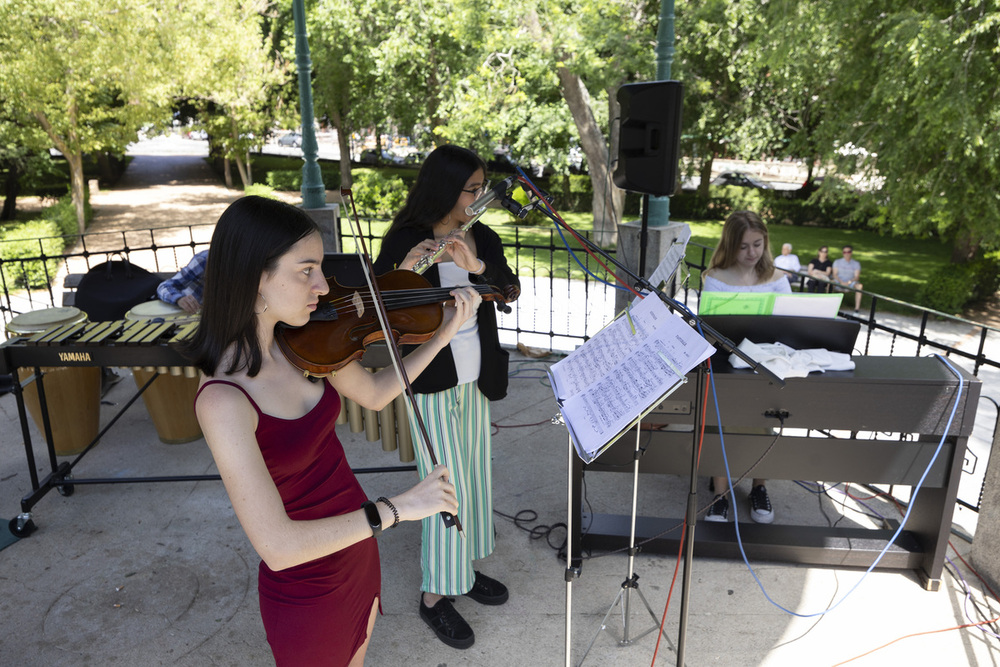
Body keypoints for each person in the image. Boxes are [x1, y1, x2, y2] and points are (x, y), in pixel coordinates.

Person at [187, 195, 482, 666]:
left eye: (320, 268)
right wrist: (399, 508)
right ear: (255, 278)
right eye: (306, 271)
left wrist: (443, 333)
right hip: (306, 587)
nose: (323, 286)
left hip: (357, 550)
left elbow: (374, 393)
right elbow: (279, 549)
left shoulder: (298, 342)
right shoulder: (224, 400)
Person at [372, 145, 520, 650]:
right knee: (443, 486)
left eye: (481, 188)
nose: (479, 198)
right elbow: (380, 305)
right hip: (430, 376)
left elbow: (509, 289)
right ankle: (435, 595)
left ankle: (464, 569)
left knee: (474, 476)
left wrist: (477, 265)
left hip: (476, 375)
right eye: (471, 189)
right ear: (444, 189)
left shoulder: (483, 235)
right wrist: (407, 271)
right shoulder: (406, 238)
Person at [701, 210, 790, 525]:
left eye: (758, 244)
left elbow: (790, 325)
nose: (752, 253)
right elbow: (709, 329)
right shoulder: (715, 278)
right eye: (743, 247)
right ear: (730, 245)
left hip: (767, 363)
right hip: (727, 362)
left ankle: (759, 487)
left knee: (763, 423)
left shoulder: (778, 279)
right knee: (720, 424)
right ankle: (720, 495)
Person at [832, 245, 864, 313]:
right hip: (838, 281)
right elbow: (834, 274)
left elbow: (856, 277)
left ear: (851, 253)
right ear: (842, 253)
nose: (846, 254)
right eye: (844, 252)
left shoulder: (856, 264)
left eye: (848, 252)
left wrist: (849, 282)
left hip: (851, 283)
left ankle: (857, 309)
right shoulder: (837, 262)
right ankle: (829, 305)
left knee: (859, 286)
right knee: (830, 283)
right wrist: (841, 282)